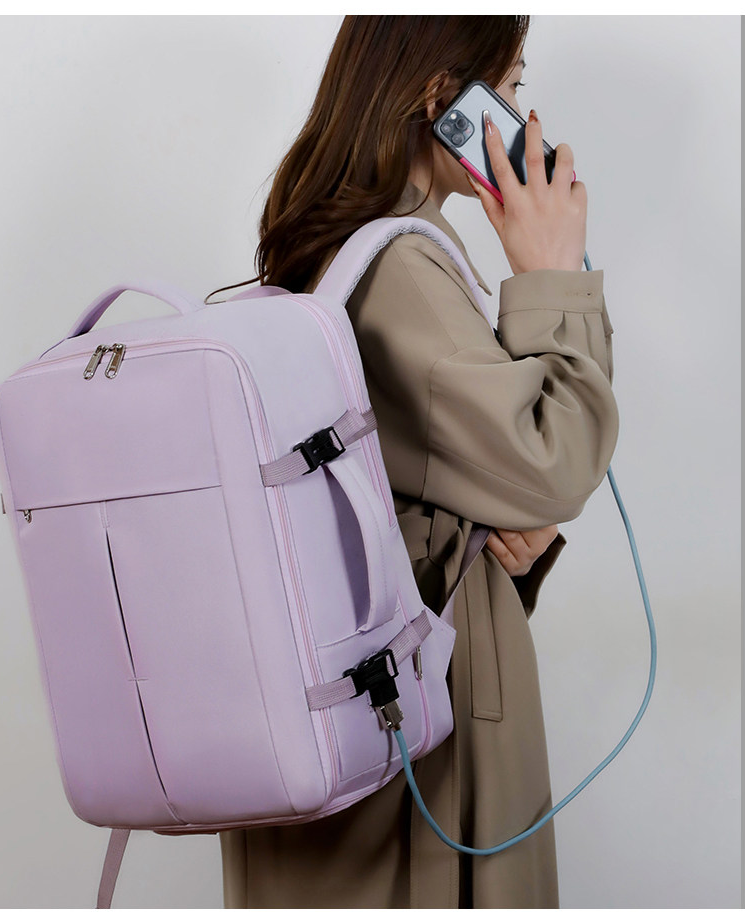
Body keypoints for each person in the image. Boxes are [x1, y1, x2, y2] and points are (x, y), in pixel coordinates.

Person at [217, 15, 618, 909]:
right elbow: (553, 460)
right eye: (510, 89)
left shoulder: (320, 253)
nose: (527, 120)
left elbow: (422, 483)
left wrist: (497, 522)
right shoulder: (398, 261)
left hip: (344, 724)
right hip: (414, 749)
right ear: (444, 99)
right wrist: (552, 273)